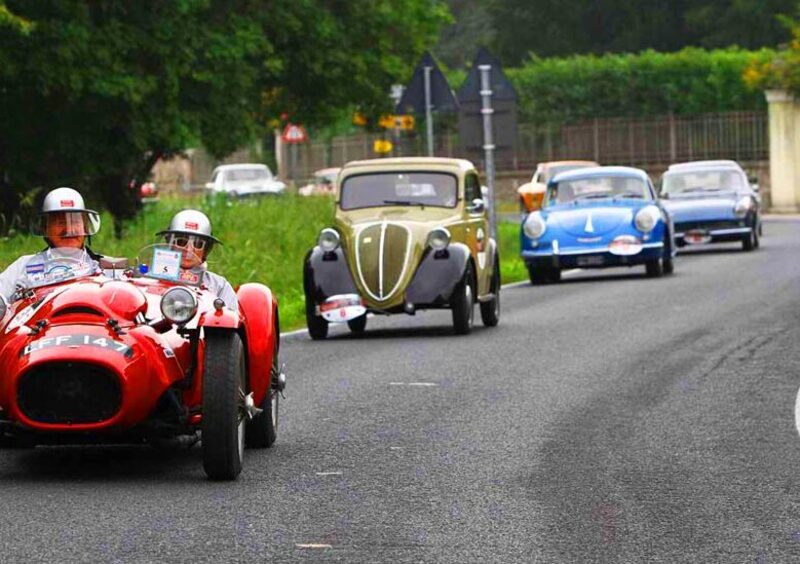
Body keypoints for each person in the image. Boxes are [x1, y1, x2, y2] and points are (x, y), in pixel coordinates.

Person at [0, 187, 102, 303]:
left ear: (85, 227)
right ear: (46, 229)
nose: (70, 229)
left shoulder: (107, 266)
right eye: (61, 223)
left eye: (75, 222)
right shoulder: (23, 267)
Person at [157, 209, 238, 313]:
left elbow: (231, 321)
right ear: (170, 244)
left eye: (198, 244)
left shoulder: (219, 285)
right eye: (181, 242)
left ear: (206, 250)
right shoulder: (148, 277)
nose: (189, 250)